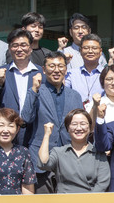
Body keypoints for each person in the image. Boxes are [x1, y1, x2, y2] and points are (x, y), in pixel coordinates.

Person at [22, 51, 84, 193]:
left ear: (66, 69)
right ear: (44, 70)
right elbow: (26, 118)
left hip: (69, 159)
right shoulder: (37, 92)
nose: (56, 70)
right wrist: (34, 89)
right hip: (41, 160)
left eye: (60, 66)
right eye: (52, 66)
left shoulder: (74, 95)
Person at [0, 28, 43, 146]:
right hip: (7, 132)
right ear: (9, 48)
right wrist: (0, 83)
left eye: (23, 45)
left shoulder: (41, 72)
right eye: (15, 45)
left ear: (30, 48)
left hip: (35, 132)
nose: (19, 49)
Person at [65, 33, 106, 110]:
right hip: (77, 115)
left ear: (100, 52)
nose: (90, 51)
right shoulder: (71, 74)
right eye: (86, 48)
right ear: (80, 51)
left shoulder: (107, 74)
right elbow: (63, 92)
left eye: (94, 48)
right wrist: (64, 64)